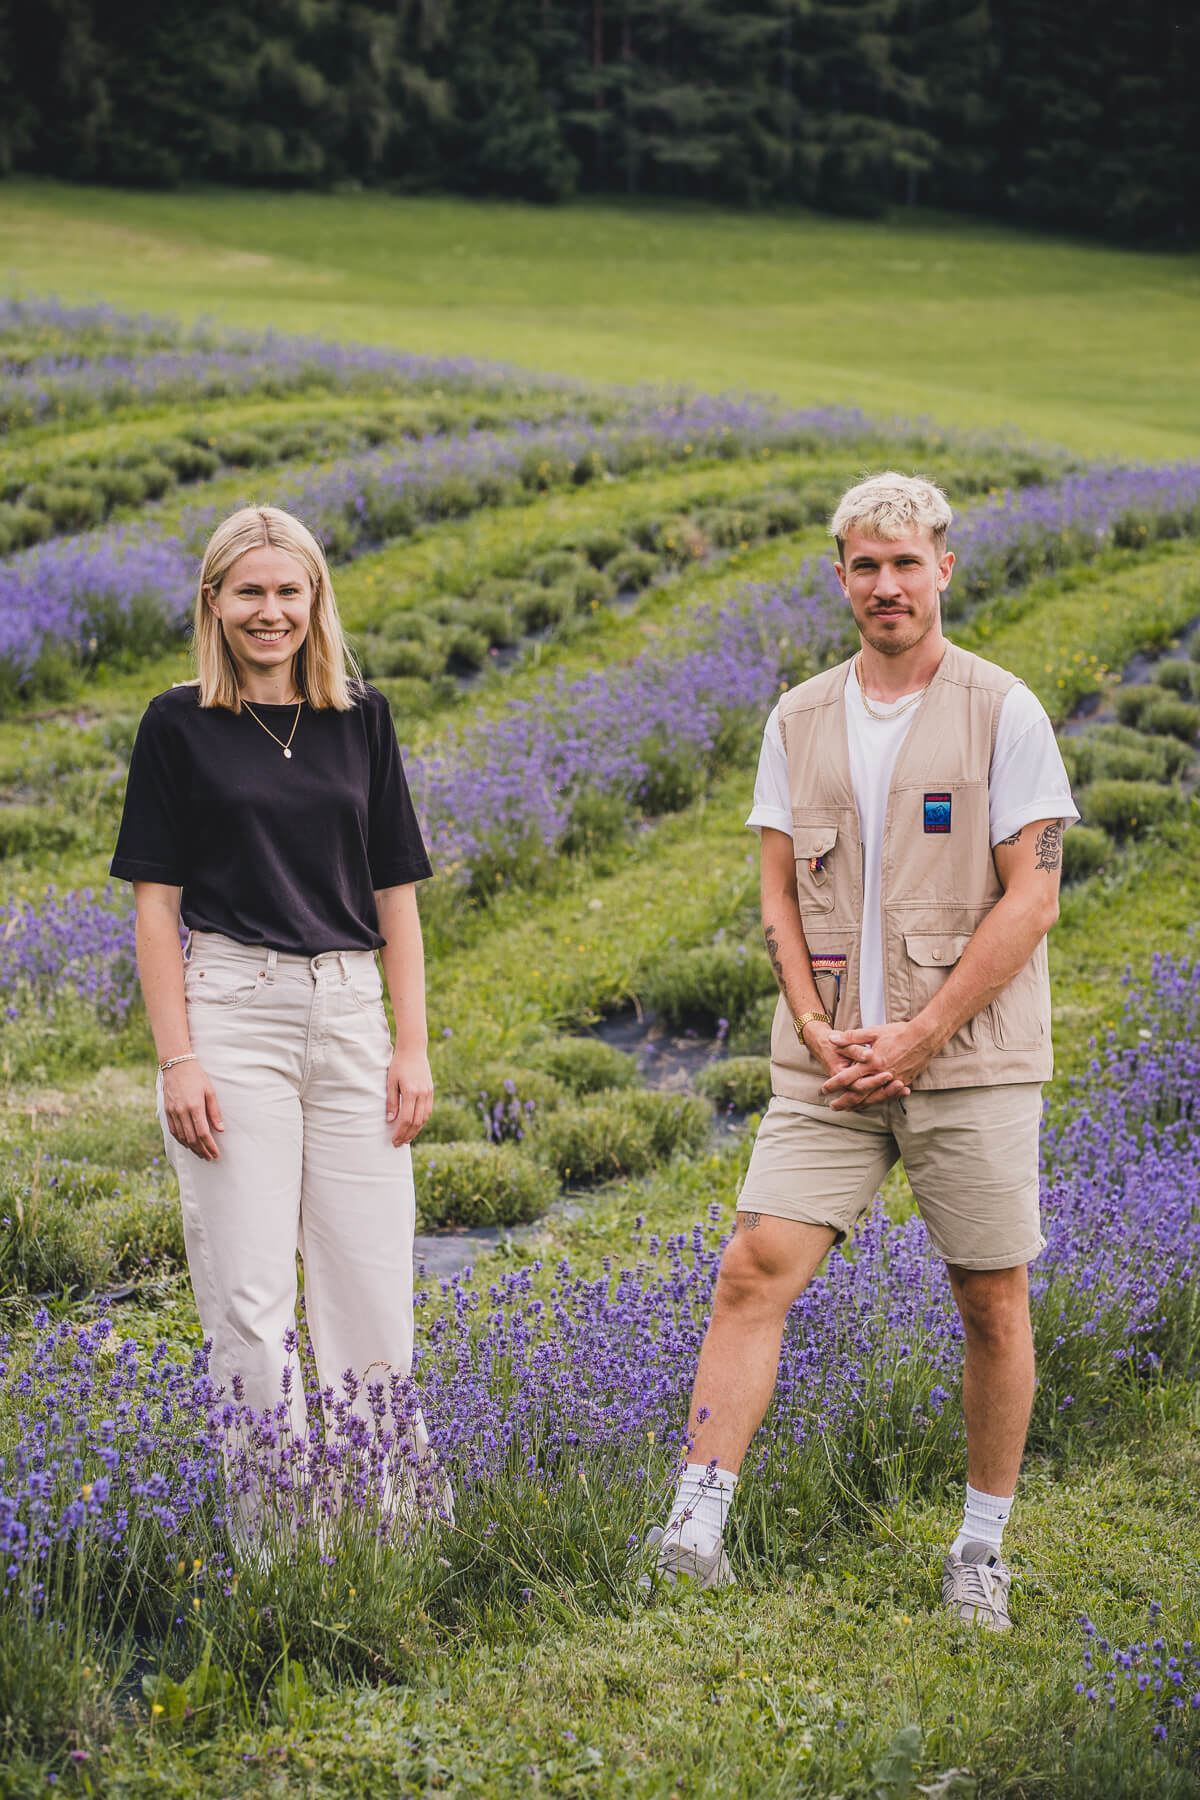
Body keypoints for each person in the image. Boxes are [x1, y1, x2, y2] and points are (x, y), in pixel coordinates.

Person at [645, 472, 1078, 1630]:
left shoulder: (1005, 710)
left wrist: (920, 1035)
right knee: (753, 1269)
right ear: (841, 578)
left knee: (988, 1301)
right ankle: (694, 1528)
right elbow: (780, 898)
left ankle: (980, 1550)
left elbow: (1031, 902)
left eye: (907, 561)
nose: (887, 584)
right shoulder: (798, 717)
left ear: (946, 567)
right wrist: (821, 1025)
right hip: (831, 1066)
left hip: (968, 1060)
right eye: (865, 565)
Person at [111, 503, 440, 1543]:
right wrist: (179, 1059)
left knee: (373, 1289)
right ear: (214, 602)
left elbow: (397, 895)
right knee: (250, 1302)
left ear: (316, 600)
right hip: (233, 1015)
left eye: (289, 591)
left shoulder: (360, 716)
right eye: (249, 591)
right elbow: (155, 905)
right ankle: (284, 1550)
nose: (271, 612)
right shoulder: (178, 724)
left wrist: (412, 1045)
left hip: (349, 1015)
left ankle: (389, 1539)